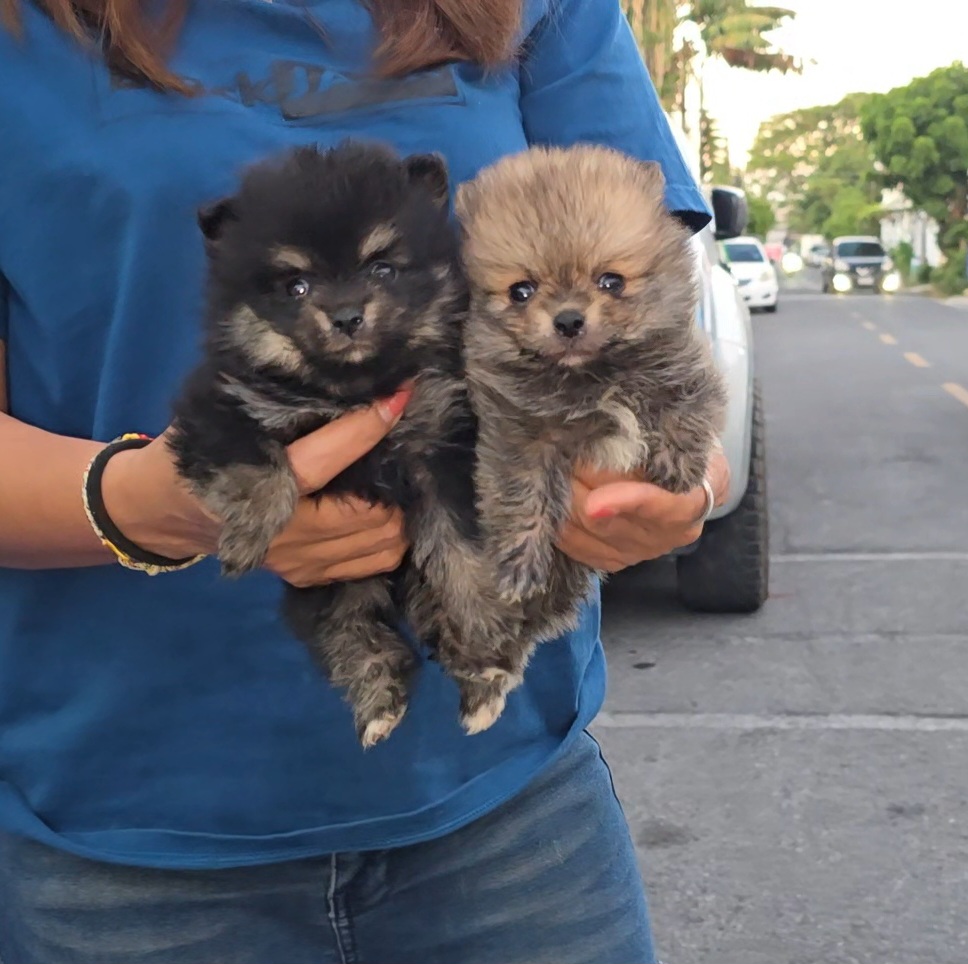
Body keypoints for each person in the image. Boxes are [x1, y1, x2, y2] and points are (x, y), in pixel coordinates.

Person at [0, 0, 729, 961]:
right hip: (128, 839)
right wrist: (143, 505)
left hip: (506, 805)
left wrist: (673, 473)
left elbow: (650, 300)